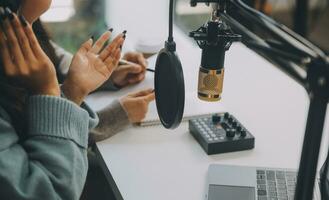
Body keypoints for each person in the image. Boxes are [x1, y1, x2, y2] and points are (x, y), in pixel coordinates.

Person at [0, 1, 153, 199]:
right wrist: (50, 90)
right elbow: (50, 191)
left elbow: (62, 67)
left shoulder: (23, 31)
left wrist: (103, 74)